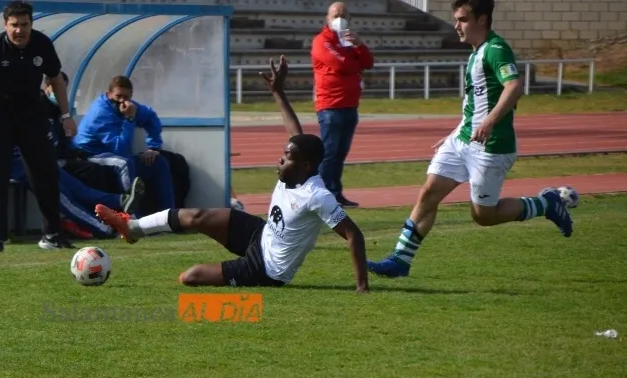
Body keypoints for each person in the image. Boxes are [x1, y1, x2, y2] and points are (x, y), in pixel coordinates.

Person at [94, 56, 369, 292]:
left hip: (266, 269)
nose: (280, 159)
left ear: (306, 166)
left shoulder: (317, 196)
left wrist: (362, 287)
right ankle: (131, 228)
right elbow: (295, 131)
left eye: (287, 158)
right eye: (284, 154)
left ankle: (140, 234)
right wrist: (277, 92)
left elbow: (354, 235)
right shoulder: (298, 166)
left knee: (190, 277)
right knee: (198, 215)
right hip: (260, 234)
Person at [366, 0, 575, 278]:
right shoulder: (476, 52)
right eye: (456, 19)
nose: (456, 26)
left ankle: (546, 203)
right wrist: (453, 134)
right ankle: (400, 261)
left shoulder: (496, 50)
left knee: (483, 216)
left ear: (482, 19)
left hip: (491, 147)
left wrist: (489, 122)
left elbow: (514, 88)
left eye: (463, 19)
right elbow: (475, 107)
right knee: (429, 193)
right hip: (462, 140)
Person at [0, 0, 77, 253]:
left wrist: (66, 115)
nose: (19, 30)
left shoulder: (42, 44)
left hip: (32, 118)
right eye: (14, 25)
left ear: (31, 24)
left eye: (24, 24)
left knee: (46, 174)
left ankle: (52, 235)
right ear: (6, 25)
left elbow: (56, 79)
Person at [6, 72, 146, 240]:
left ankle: (122, 201)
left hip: (47, 161)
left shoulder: (55, 110)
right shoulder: (23, 109)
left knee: (81, 190)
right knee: (65, 198)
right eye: (57, 88)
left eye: (63, 89)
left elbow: (58, 141)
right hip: (26, 167)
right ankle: (107, 229)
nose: (61, 93)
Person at [72, 75, 175, 215]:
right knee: (124, 164)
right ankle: (134, 219)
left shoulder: (130, 106)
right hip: (91, 154)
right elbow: (119, 149)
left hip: (113, 153)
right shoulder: (100, 113)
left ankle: (170, 216)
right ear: (109, 95)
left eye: (126, 97)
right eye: (118, 96)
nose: (122, 101)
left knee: (159, 162)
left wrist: (153, 147)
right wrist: (130, 118)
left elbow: (151, 117)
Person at [311, 1, 374, 208]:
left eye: (344, 14)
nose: (340, 18)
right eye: (336, 14)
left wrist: (360, 45)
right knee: (328, 153)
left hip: (350, 105)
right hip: (330, 105)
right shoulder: (322, 41)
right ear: (327, 19)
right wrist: (355, 63)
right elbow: (342, 64)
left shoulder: (349, 42)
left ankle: (335, 193)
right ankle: (320, 195)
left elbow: (368, 62)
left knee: (339, 154)